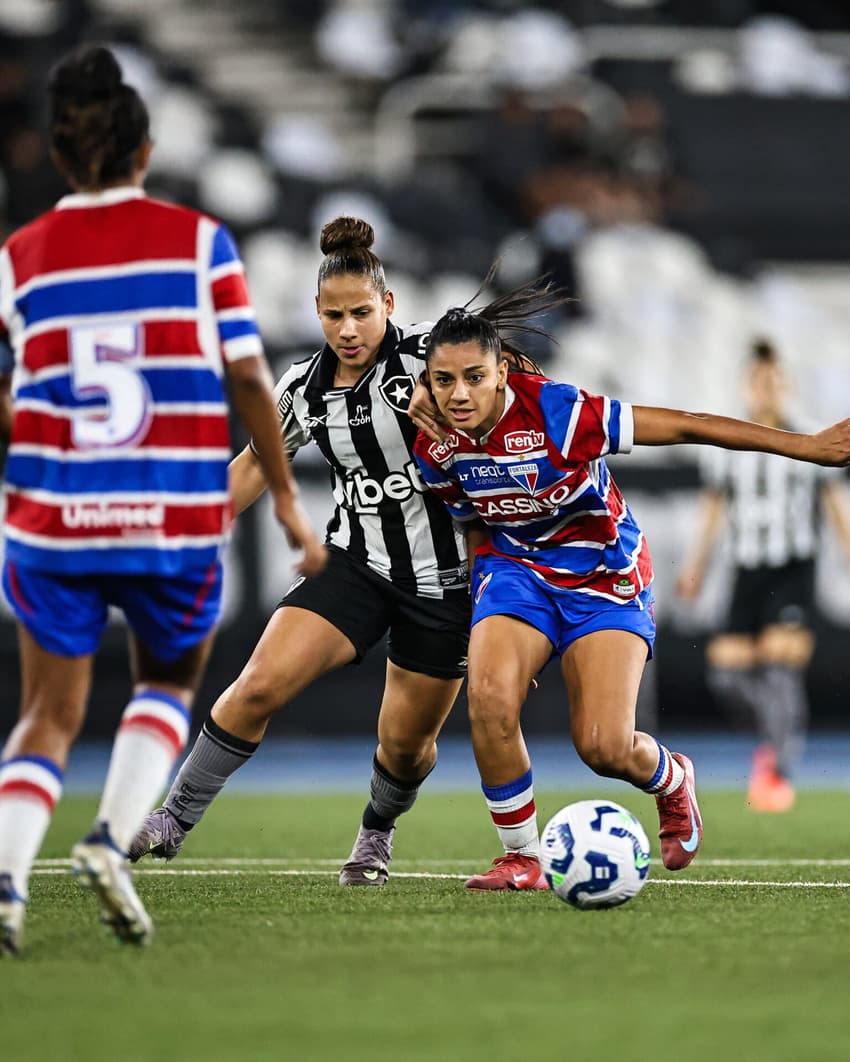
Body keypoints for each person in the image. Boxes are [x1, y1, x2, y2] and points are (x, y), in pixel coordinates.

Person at [0, 45, 325, 957]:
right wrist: (290, 503)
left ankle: (6, 881)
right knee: (167, 682)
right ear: (144, 152)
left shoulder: (19, 258)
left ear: (63, 158)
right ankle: (109, 837)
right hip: (170, 512)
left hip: (56, 513)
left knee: (46, 715)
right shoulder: (197, 243)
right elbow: (253, 379)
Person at [129, 218, 550, 885]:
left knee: (406, 750)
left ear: (388, 305)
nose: (347, 329)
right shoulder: (303, 388)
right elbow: (253, 467)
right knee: (259, 683)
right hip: (355, 565)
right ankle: (172, 819)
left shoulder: (431, 364)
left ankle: (375, 833)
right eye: (333, 315)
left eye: (360, 312)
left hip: (447, 588)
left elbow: (519, 384)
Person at [412, 293, 850, 891]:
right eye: (443, 381)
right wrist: (488, 624)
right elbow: (474, 522)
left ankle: (671, 779)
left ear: (502, 373)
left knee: (604, 748)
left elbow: (690, 425)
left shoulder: (560, 412)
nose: (458, 394)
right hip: (517, 573)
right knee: (488, 698)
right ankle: (523, 856)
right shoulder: (431, 443)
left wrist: (804, 447)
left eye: (473, 378)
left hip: (604, 578)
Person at [676, 340, 850, 811]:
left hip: (794, 565)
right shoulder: (728, 445)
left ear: (785, 383)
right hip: (745, 569)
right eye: (759, 379)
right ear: (747, 384)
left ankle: (778, 769)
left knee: (778, 663)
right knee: (727, 674)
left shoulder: (811, 436)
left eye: (774, 379)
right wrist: (695, 568)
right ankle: (775, 739)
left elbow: (834, 504)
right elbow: (714, 507)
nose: (767, 388)